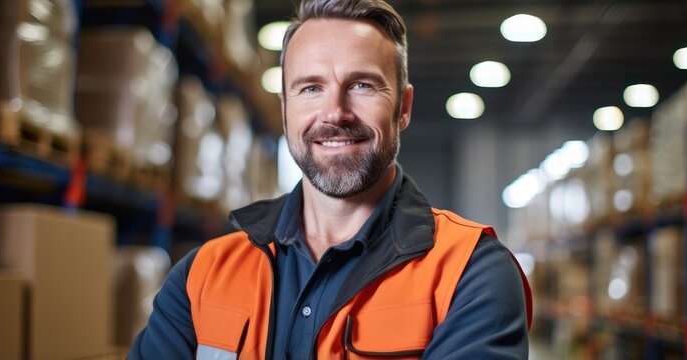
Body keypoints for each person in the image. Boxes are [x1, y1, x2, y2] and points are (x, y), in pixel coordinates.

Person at [129, 0, 531, 358]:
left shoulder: (470, 274)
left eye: (361, 85)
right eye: (311, 88)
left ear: (403, 108)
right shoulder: (202, 275)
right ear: (285, 109)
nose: (335, 113)